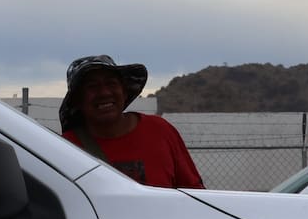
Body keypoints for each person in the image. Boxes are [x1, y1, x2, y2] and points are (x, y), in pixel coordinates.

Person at [59, 55, 204, 189]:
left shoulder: (160, 131)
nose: (104, 92)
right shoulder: (67, 148)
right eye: (92, 87)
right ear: (77, 101)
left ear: (124, 91)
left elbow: (196, 194)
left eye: (111, 83)